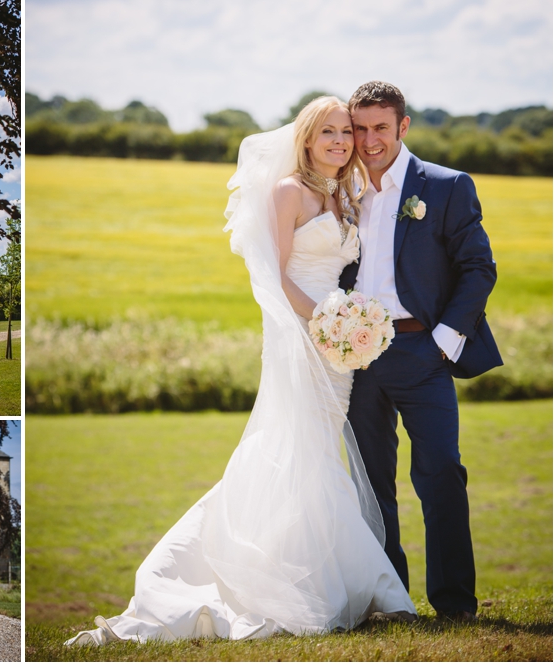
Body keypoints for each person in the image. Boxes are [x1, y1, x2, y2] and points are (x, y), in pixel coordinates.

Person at [66, 97, 416, 646]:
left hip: (336, 346)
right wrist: (327, 320)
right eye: (328, 132)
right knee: (293, 448)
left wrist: (349, 325)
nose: (341, 142)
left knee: (320, 451)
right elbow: (276, 277)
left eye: (345, 132)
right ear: (305, 138)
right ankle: (290, 583)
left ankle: (327, 580)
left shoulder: (345, 195)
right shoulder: (288, 193)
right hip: (301, 336)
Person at [341, 81, 501, 622]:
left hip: (424, 351)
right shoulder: (343, 191)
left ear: (403, 126)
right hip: (358, 358)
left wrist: (444, 341)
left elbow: (480, 268)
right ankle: (390, 600)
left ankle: (455, 605)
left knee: (440, 475)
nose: (368, 140)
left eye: (379, 127)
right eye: (359, 128)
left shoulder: (446, 185)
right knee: (370, 482)